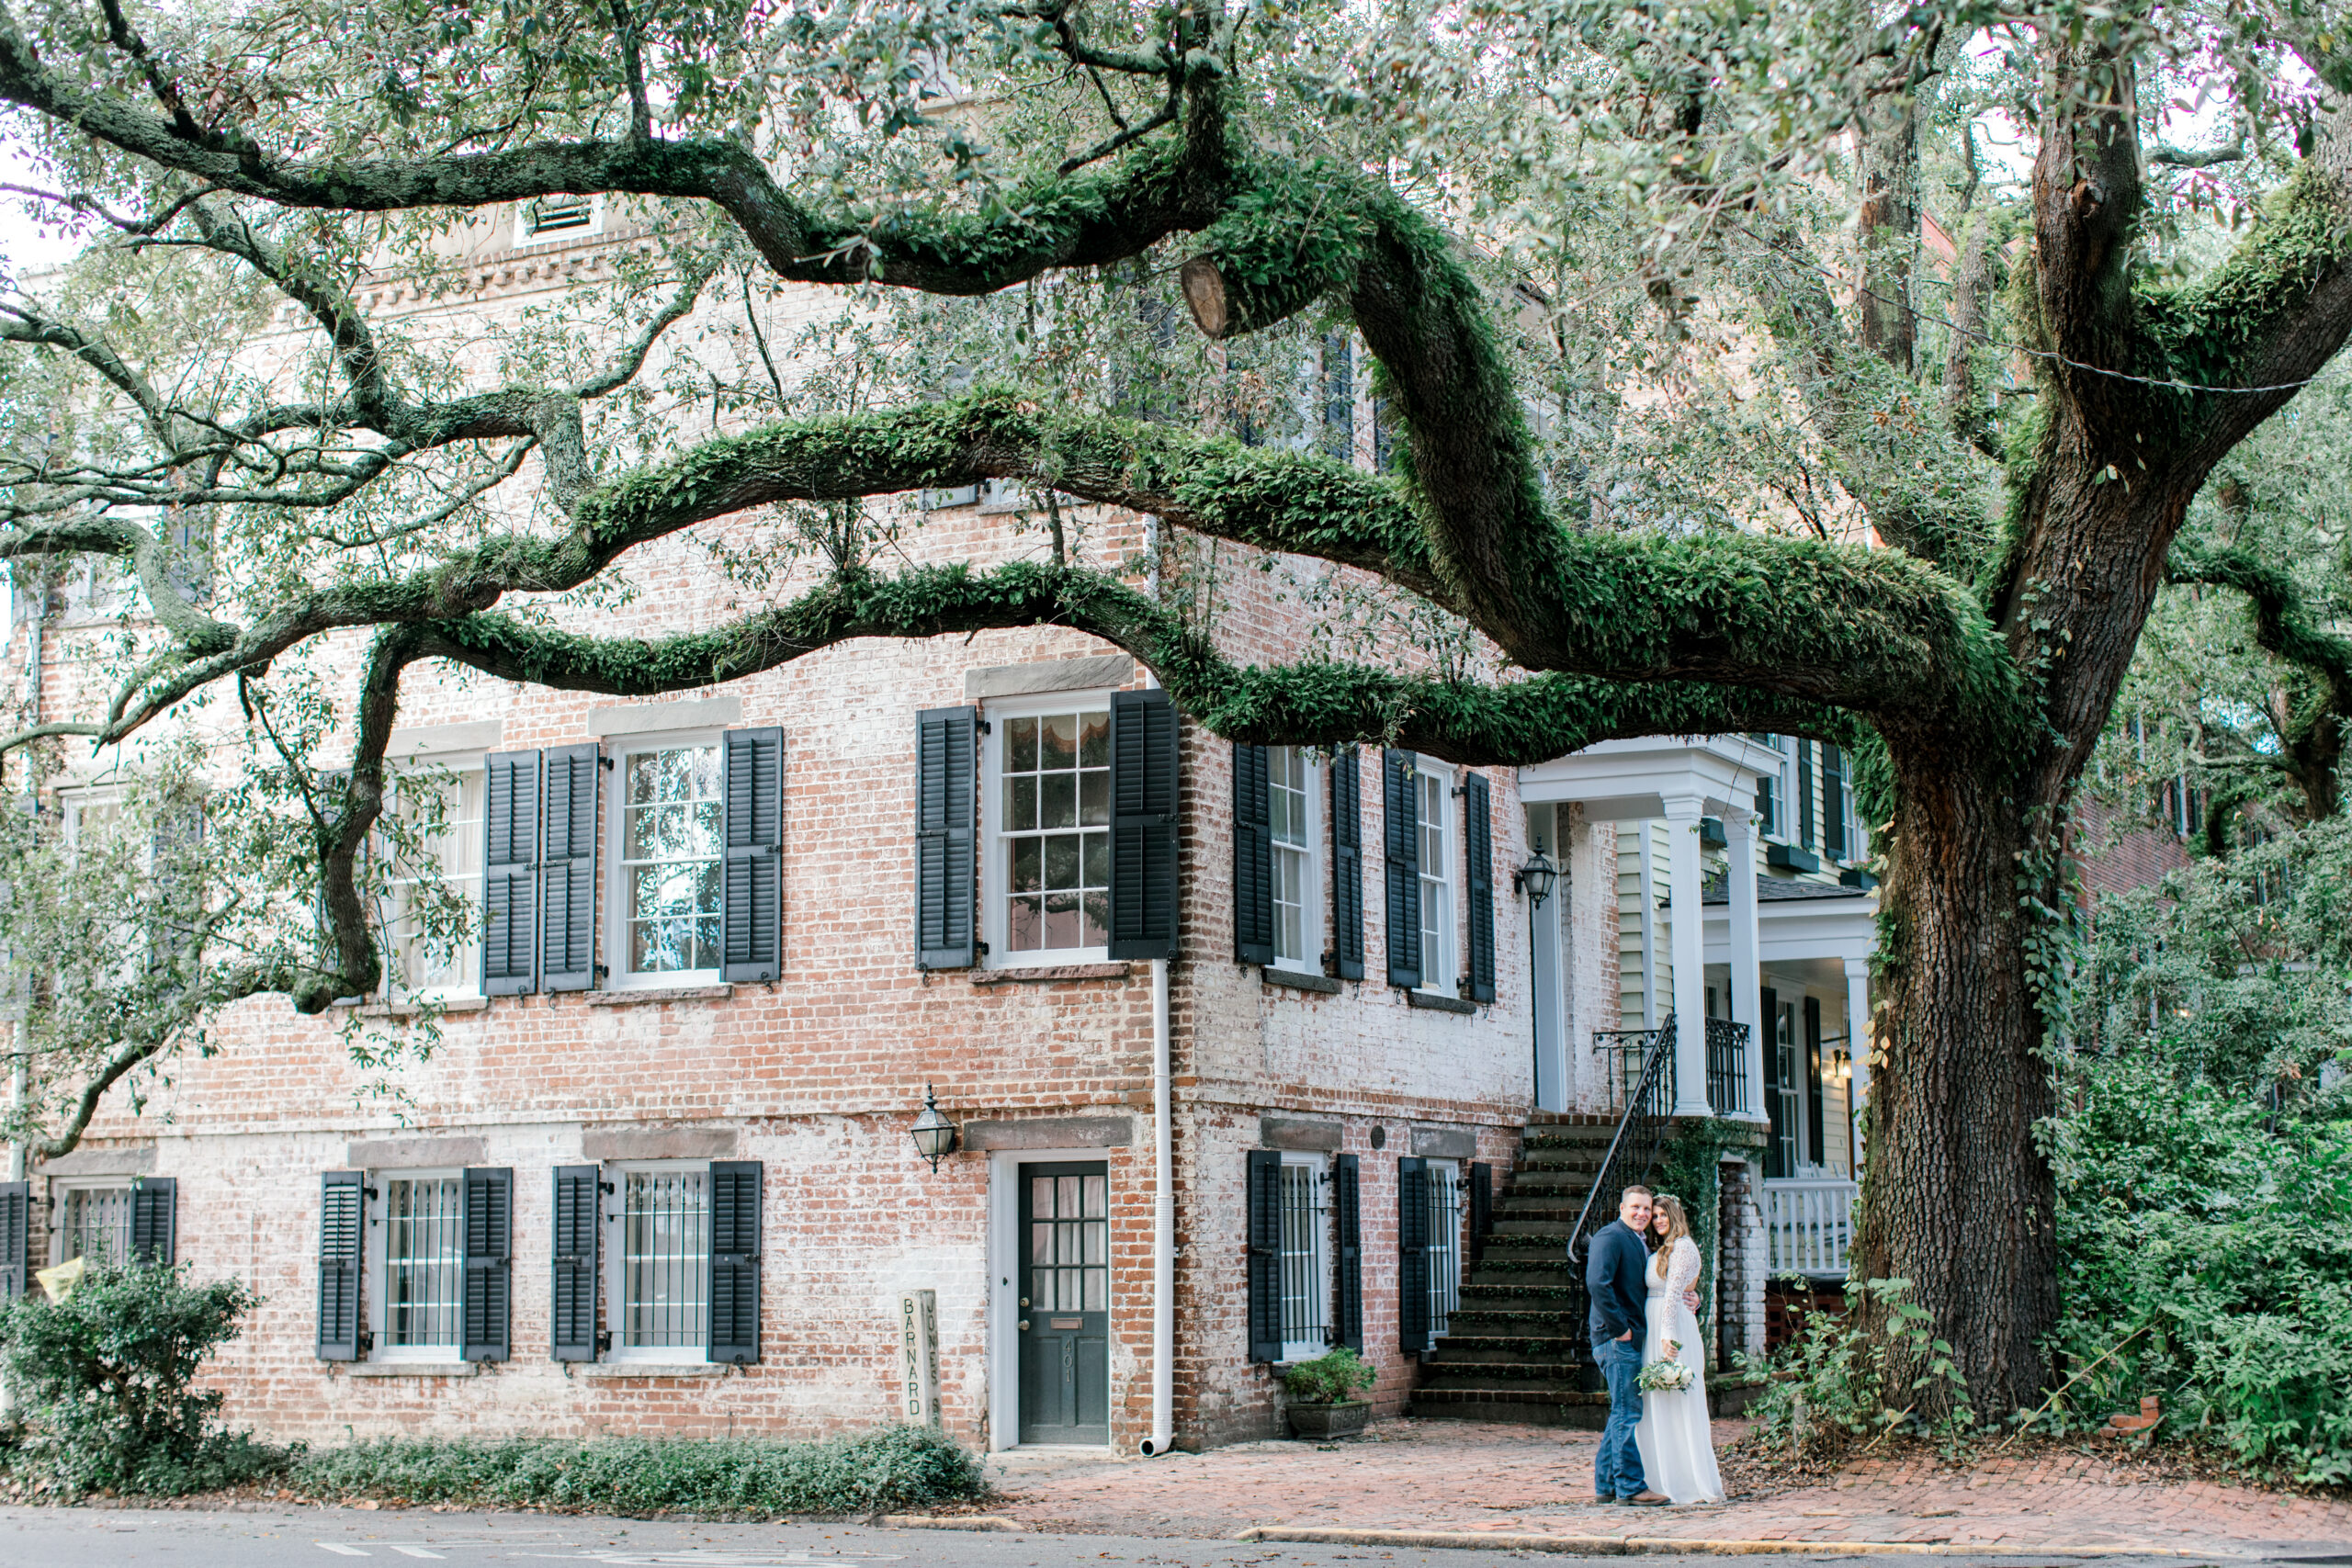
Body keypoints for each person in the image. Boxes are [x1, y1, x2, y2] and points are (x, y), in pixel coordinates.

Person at [1634, 1194, 1725, 1504]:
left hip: (1670, 1328)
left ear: (1675, 1216)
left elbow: (1674, 1292)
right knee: (1658, 1402)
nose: (1658, 1220)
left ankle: (1686, 1481)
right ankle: (1659, 1477)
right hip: (1655, 1325)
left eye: (1663, 1215)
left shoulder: (1683, 1247)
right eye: (1655, 1216)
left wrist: (1668, 1335)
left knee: (1677, 1401)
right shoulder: (1661, 1248)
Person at [1585, 1185, 1669, 1506]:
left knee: (1621, 1411)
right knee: (1628, 1412)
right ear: (1622, 1208)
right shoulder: (1610, 1237)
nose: (1642, 1214)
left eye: (1647, 1209)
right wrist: (1620, 1330)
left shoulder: (1638, 1240)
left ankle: (1606, 1485)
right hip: (1614, 1339)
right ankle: (1630, 1487)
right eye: (1635, 1207)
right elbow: (1597, 1283)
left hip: (1626, 1338)